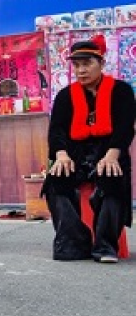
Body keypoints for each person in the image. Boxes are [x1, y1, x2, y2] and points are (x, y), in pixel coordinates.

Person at [43, 34, 135, 263]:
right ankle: (74, 241)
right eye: (77, 65)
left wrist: (112, 156)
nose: (81, 70)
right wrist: (61, 156)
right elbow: (56, 131)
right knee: (56, 180)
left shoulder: (122, 91)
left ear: (102, 63)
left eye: (87, 64)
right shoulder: (66, 95)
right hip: (76, 154)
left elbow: (125, 128)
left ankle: (105, 245)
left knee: (112, 176)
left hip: (109, 151)